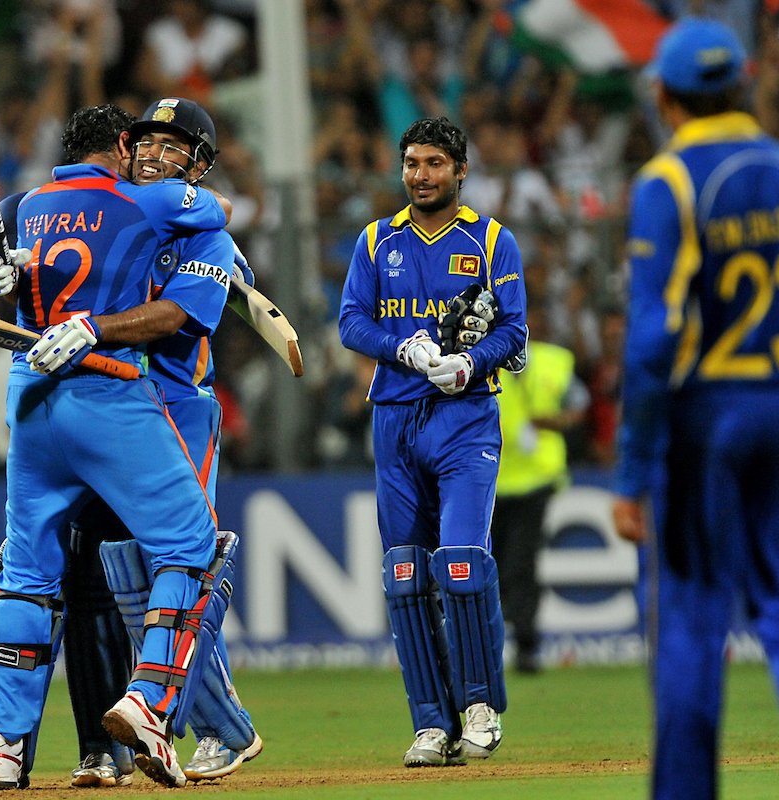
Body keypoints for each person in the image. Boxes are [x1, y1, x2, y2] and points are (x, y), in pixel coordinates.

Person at [0, 98, 262, 789]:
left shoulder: (170, 214)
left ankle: (205, 726)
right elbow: (16, 235)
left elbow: (181, 308)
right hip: (112, 400)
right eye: (152, 143)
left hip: (171, 404)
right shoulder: (136, 205)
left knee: (103, 567)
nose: (161, 156)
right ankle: (169, 718)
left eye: (176, 148)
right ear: (129, 147)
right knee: (160, 561)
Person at [612, 18, 779, 800]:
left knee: (692, 626)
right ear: (739, 86)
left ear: (664, 94)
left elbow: (652, 338)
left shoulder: (669, 180)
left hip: (708, 418)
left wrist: (633, 471)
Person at [338, 116, 527, 767]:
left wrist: (471, 364)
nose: (421, 175)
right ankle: (430, 723)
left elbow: (514, 330)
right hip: (393, 420)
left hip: (466, 419)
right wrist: (406, 350)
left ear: (460, 170)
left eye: (434, 164)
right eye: (412, 164)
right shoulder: (374, 241)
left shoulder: (492, 239)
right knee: (402, 576)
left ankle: (478, 707)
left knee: (461, 563)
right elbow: (350, 323)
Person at [489, 301, 588, 674]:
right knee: (493, 567)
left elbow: (579, 406)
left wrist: (551, 423)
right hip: (493, 478)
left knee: (521, 563)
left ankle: (526, 645)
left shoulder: (551, 361)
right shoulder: (484, 358)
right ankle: (495, 644)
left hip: (536, 479)